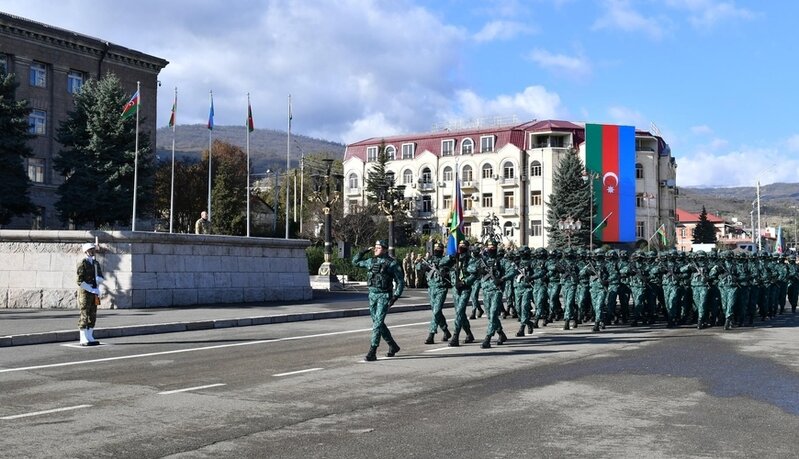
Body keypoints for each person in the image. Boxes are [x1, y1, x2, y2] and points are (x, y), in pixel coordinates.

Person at [352, 240, 404, 361]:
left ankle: (372, 350)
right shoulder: (371, 261)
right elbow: (355, 262)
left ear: (385, 249)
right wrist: (363, 251)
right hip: (372, 296)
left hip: (384, 296)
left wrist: (395, 296)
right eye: (375, 247)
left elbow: (400, 281)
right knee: (378, 323)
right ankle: (393, 346)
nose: (375, 249)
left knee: (377, 324)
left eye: (378, 247)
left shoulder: (392, 263)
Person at [77, 242, 104, 346]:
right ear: (85, 251)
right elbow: (80, 281)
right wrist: (90, 289)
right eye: (90, 250)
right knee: (84, 314)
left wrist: (99, 280)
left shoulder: (96, 263)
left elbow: (101, 276)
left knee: (93, 314)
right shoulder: (82, 263)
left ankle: (90, 336)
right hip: (85, 293)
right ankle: (83, 337)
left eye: (93, 250)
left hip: (94, 292)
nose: (92, 252)